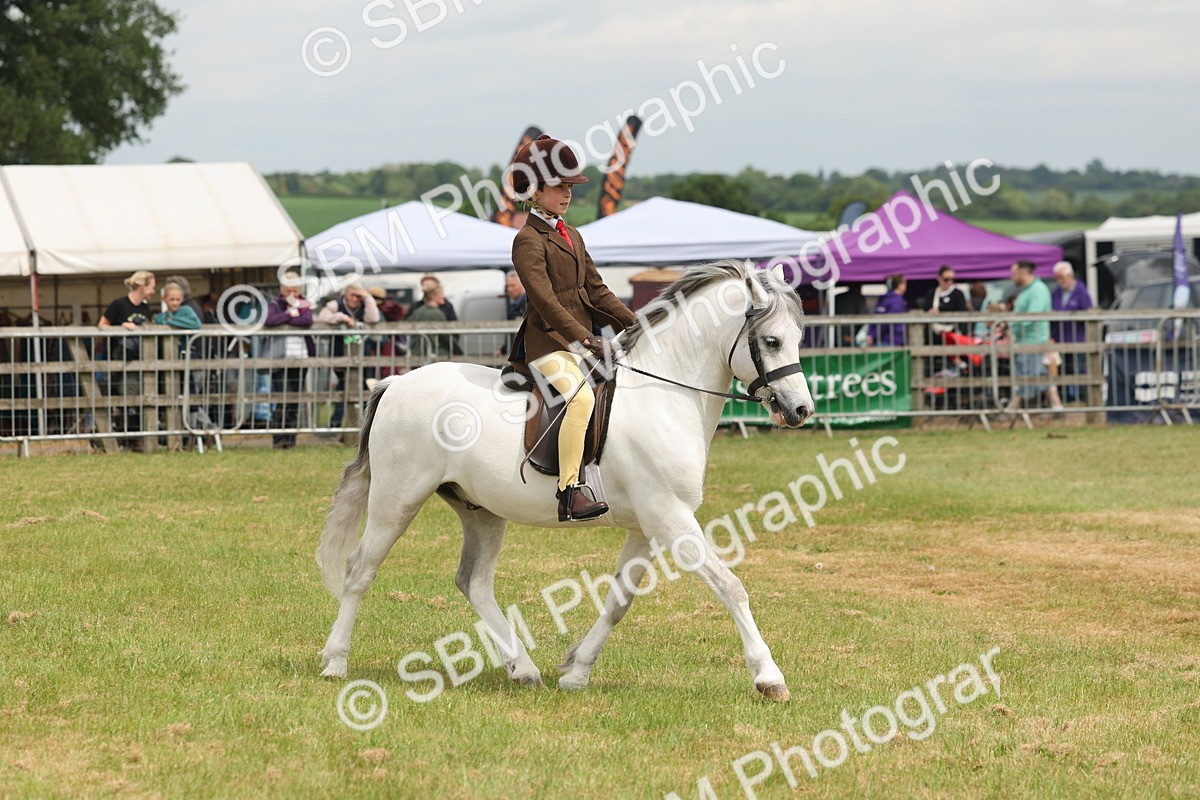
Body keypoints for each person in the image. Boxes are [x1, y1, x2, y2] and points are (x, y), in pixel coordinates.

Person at [508, 134, 638, 522]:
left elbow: (597, 291)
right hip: (549, 346)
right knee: (580, 398)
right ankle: (569, 491)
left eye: (570, 187)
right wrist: (585, 339)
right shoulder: (527, 241)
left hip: (581, 342)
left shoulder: (572, 234)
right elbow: (546, 302)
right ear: (534, 191)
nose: (567, 194)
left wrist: (640, 325)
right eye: (559, 187)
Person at [99, 271, 156, 447]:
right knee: (122, 397)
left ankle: (136, 437)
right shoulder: (119, 305)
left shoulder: (146, 309)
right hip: (118, 360)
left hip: (140, 362)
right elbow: (102, 325)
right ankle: (121, 437)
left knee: (138, 397)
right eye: (152, 286)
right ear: (142, 286)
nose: (154, 291)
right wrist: (120, 327)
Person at [318, 282, 380, 429]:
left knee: (366, 388)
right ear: (345, 295)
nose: (356, 299)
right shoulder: (335, 304)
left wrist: (368, 298)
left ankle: (366, 425)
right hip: (341, 353)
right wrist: (342, 318)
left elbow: (374, 319)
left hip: (362, 355)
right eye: (353, 295)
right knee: (343, 389)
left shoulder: (365, 304)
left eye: (359, 296)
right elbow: (321, 318)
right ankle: (337, 424)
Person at [263, 273, 314, 449]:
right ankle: (278, 437)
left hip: (301, 358)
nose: (292, 294)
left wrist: (291, 316)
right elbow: (270, 320)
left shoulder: (305, 303)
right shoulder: (275, 303)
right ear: (282, 291)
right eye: (288, 290)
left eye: (295, 290)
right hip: (279, 358)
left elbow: (307, 320)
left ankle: (290, 438)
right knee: (281, 397)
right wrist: (290, 315)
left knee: (294, 399)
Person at [1008, 260, 1063, 413]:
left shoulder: (1037, 290)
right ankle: (1056, 406)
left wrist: (1012, 323)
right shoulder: (1026, 290)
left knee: (1026, 376)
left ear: (1022, 272)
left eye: (1013, 273)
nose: (1011, 277)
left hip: (1033, 341)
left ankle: (1011, 410)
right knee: (1040, 376)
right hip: (1026, 341)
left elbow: (1034, 315)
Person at [1051, 261, 1093, 402]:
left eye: (1061, 277)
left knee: (1078, 370)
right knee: (1062, 371)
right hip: (1059, 340)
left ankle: (1082, 401)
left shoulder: (1081, 291)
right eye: (1057, 278)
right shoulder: (1056, 293)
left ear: (1070, 276)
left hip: (1077, 340)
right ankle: (1065, 401)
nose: (1059, 281)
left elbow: (1089, 313)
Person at [407, 284, 454, 358]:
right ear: (433, 296)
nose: (443, 296)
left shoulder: (418, 311)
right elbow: (445, 337)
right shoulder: (437, 314)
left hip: (417, 353)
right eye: (441, 294)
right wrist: (457, 350)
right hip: (434, 353)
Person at [865, 273, 907, 346]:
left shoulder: (883, 299)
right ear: (900, 285)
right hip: (892, 340)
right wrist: (873, 336)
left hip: (880, 340)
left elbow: (874, 319)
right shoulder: (897, 300)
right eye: (905, 283)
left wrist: (871, 335)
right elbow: (888, 321)